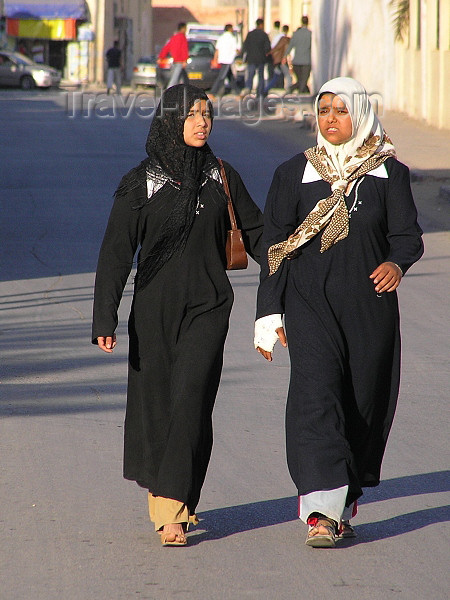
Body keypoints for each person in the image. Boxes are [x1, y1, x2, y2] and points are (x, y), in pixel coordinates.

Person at [254, 77, 423, 548]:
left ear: (361, 115)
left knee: (363, 403)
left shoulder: (390, 174)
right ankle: (321, 513)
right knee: (316, 398)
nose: (330, 118)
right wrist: (270, 314)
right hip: (309, 306)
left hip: (369, 309)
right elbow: (275, 247)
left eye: (340, 110)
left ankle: (345, 499)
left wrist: (396, 263)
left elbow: (407, 236)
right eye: (323, 109)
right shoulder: (294, 174)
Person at [92, 84, 263, 547]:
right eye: (191, 115)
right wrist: (103, 319)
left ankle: (173, 510)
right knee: (157, 407)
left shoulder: (221, 176)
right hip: (153, 312)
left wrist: (299, 273)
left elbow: (258, 234)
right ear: (171, 119)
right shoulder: (141, 181)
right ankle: (169, 495)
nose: (201, 122)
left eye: (207, 114)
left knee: (191, 399)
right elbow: (115, 254)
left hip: (208, 308)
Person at [241, 18, 271, 97]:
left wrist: (244, 55)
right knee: (260, 76)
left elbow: (245, 46)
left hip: (251, 58)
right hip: (261, 59)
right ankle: (260, 93)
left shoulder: (250, 34)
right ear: (261, 25)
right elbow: (268, 48)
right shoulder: (264, 35)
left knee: (250, 75)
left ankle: (248, 90)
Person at [209, 24, 239, 99]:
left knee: (230, 77)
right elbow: (236, 49)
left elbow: (217, 50)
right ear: (229, 29)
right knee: (221, 77)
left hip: (222, 59)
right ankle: (212, 93)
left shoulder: (221, 38)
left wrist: (215, 59)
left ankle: (237, 93)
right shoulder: (232, 38)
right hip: (228, 60)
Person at [158, 22, 189, 89]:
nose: (186, 30)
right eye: (185, 28)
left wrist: (161, 57)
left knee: (182, 78)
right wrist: (185, 60)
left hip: (175, 61)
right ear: (183, 29)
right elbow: (184, 49)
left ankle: (182, 92)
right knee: (175, 78)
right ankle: (169, 91)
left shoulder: (173, 38)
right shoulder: (182, 37)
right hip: (180, 61)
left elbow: (166, 47)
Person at [286, 15, 311, 94]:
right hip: (306, 61)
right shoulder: (310, 34)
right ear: (308, 22)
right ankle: (296, 92)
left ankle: (292, 89)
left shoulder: (296, 33)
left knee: (300, 80)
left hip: (296, 61)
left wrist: (285, 56)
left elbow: (290, 46)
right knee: (303, 81)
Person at [264, 25, 292, 94]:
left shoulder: (279, 38)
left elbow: (276, 47)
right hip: (282, 60)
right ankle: (288, 88)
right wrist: (285, 58)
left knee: (277, 75)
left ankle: (267, 88)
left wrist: (270, 53)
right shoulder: (285, 39)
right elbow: (281, 48)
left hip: (277, 60)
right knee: (287, 74)